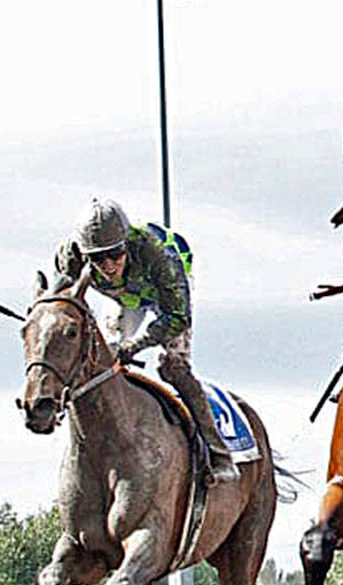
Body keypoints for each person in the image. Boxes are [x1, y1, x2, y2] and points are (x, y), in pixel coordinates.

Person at [54, 198, 238, 484]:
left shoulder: (157, 255)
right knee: (98, 360)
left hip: (165, 295)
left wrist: (134, 346)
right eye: (98, 258)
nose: (108, 265)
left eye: (115, 254)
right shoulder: (70, 257)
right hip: (123, 299)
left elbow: (177, 318)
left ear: (126, 244)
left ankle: (219, 453)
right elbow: (61, 304)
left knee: (173, 367)